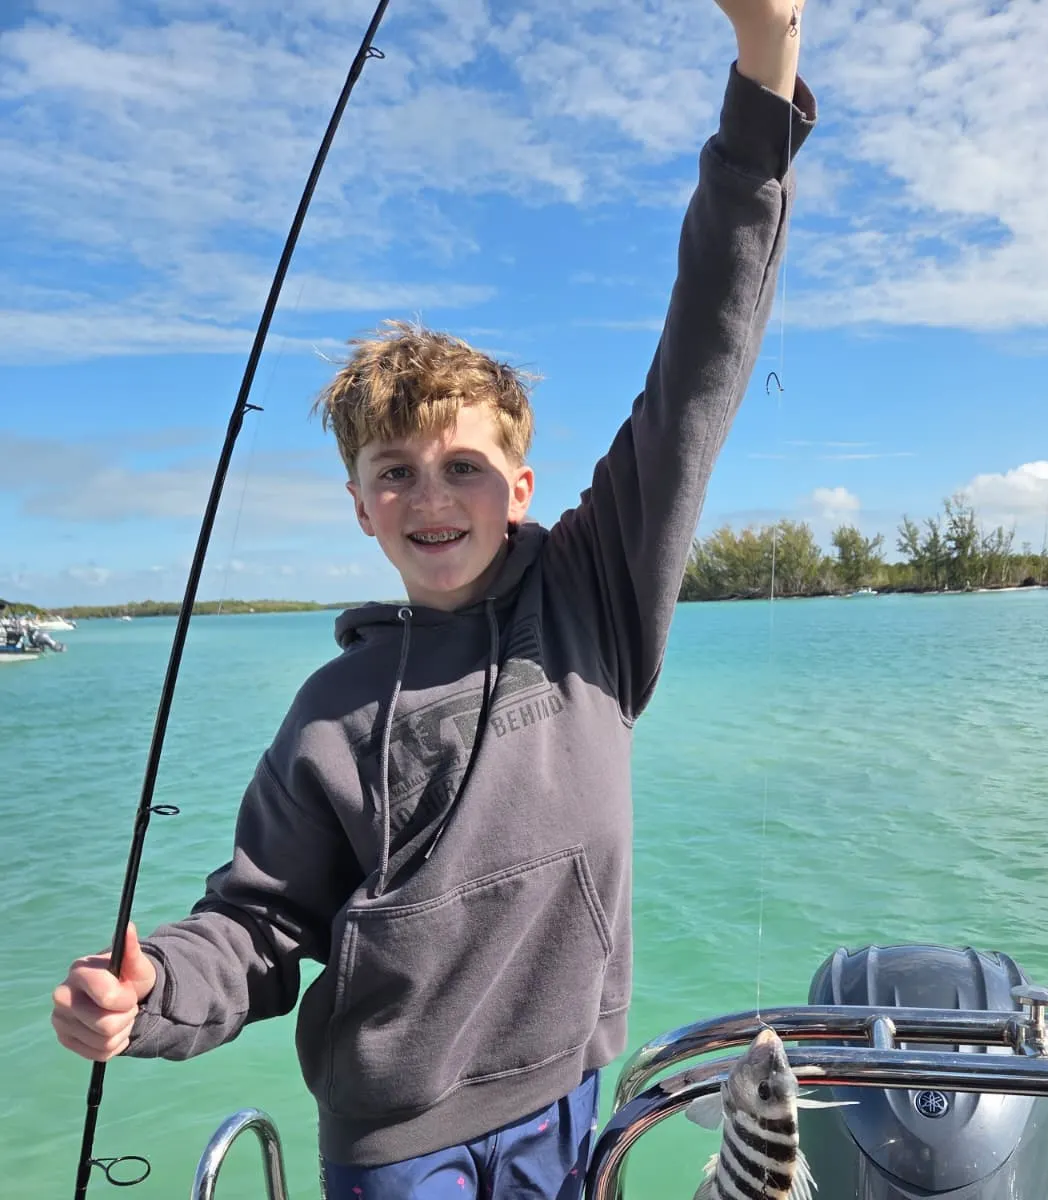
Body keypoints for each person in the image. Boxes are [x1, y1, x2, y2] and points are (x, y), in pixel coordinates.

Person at [50, 2, 817, 1195]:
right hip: (394, 1145)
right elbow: (260, 928)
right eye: (395, 473)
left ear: (521, 486)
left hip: (566, 1099)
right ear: (361, 507)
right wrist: (153, 994)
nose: (432, 496)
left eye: (464, 466)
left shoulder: (596, 600)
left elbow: (701, 363)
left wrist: (766, 61)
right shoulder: (330, 715)